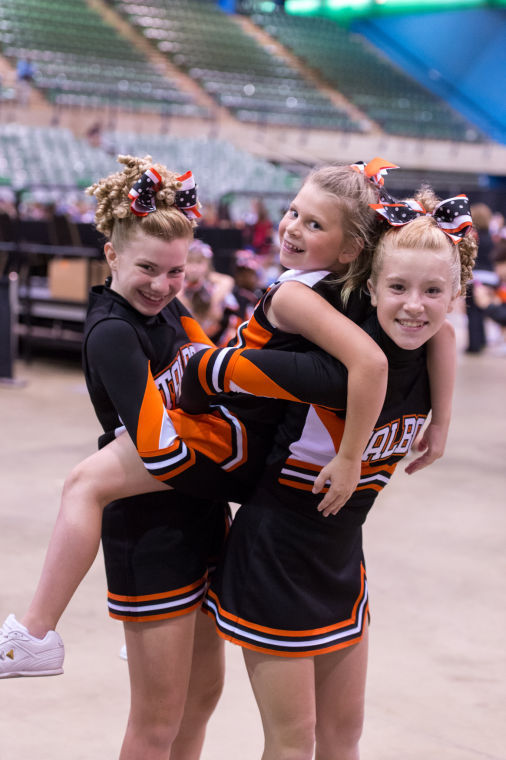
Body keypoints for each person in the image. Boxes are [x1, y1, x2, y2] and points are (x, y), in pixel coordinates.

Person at [0, 159, 456, 705]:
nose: (292, 227)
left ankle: (36, 634)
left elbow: (369, 367)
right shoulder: (340, 291)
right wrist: (441, 425)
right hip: (243, 436)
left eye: (314, 225)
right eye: (293, 213)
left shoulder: (294, 295)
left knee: (84, 483)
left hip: (232, 435)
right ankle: (120, 633)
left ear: (351, 249)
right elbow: (443, 333)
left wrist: (349, 453)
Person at [199, 185, 477, 759]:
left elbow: (444, 336)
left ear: (456, 295)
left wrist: (443, 424)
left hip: (342, 556)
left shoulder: (431, 348)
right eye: (397, 287)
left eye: (433, 291)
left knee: (344, 735)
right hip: (274, 554)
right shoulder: (334, 365)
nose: (415, 306)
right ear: (372, 285)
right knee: (293, 739)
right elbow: (219, 369)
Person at [0, 154, 231, 760]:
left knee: (202, 699)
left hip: (203, 519)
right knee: (156, 721)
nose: (161, 284)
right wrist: (246, 460)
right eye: (148, 269)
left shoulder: (172, 310)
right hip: (149, 526)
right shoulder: (112, 331)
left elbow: (213, 371)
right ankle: (35, 636)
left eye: (177, 272)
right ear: (111, 256)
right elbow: (161, 450)